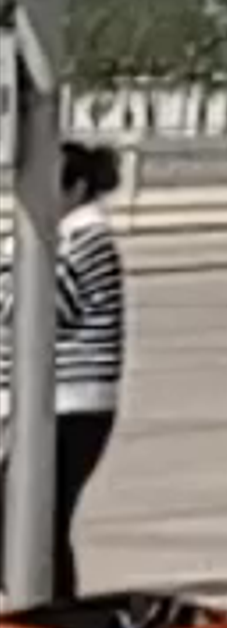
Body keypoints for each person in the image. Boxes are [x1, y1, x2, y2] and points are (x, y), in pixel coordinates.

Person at [0, 139, 129, 595]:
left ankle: (52, 615)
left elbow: (36, 308)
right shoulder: (59, 241)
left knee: (34, 519)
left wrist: (16, 256)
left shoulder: (84, 239)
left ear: (75, 189)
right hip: (48, 404)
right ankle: (42, 610)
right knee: (29, 519)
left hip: (70, 406)